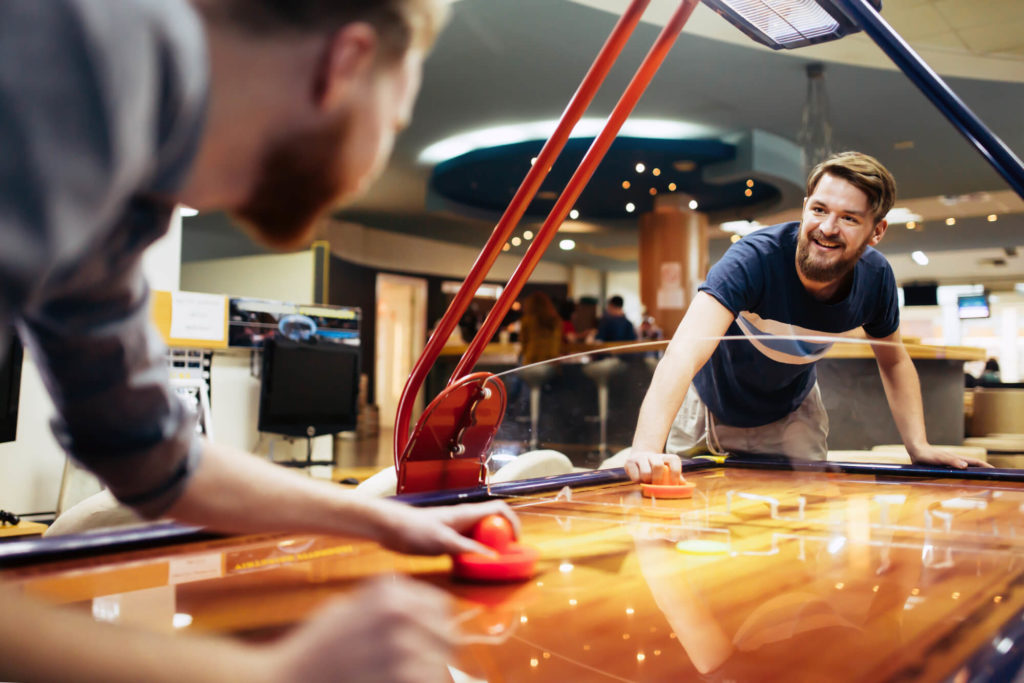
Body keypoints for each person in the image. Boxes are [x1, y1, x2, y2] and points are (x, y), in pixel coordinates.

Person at [0, 1, 516, 682]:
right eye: (393, 122)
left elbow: (153, 455)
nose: (372, 168)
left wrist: (388, 520)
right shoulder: (79, 55)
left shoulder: (124, 186)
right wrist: (282, 674)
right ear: (347, 62)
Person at [626, 151, 990, 484]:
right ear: (804, 208)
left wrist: (918, 446)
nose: (828, 228)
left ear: (876, 230)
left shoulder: (876, 279)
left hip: (792, 410)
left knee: (805, 521)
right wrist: (646, 448)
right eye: (819, 210)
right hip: (708, 405)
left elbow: (894, 361)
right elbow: (684, 352)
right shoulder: (753, 258)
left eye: (848, 218)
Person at [519, 291, 564, 365]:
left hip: (531, 362)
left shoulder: (527, 320)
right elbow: (559, 343)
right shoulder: (556, 320)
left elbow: (523, 342)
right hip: (552, 363)